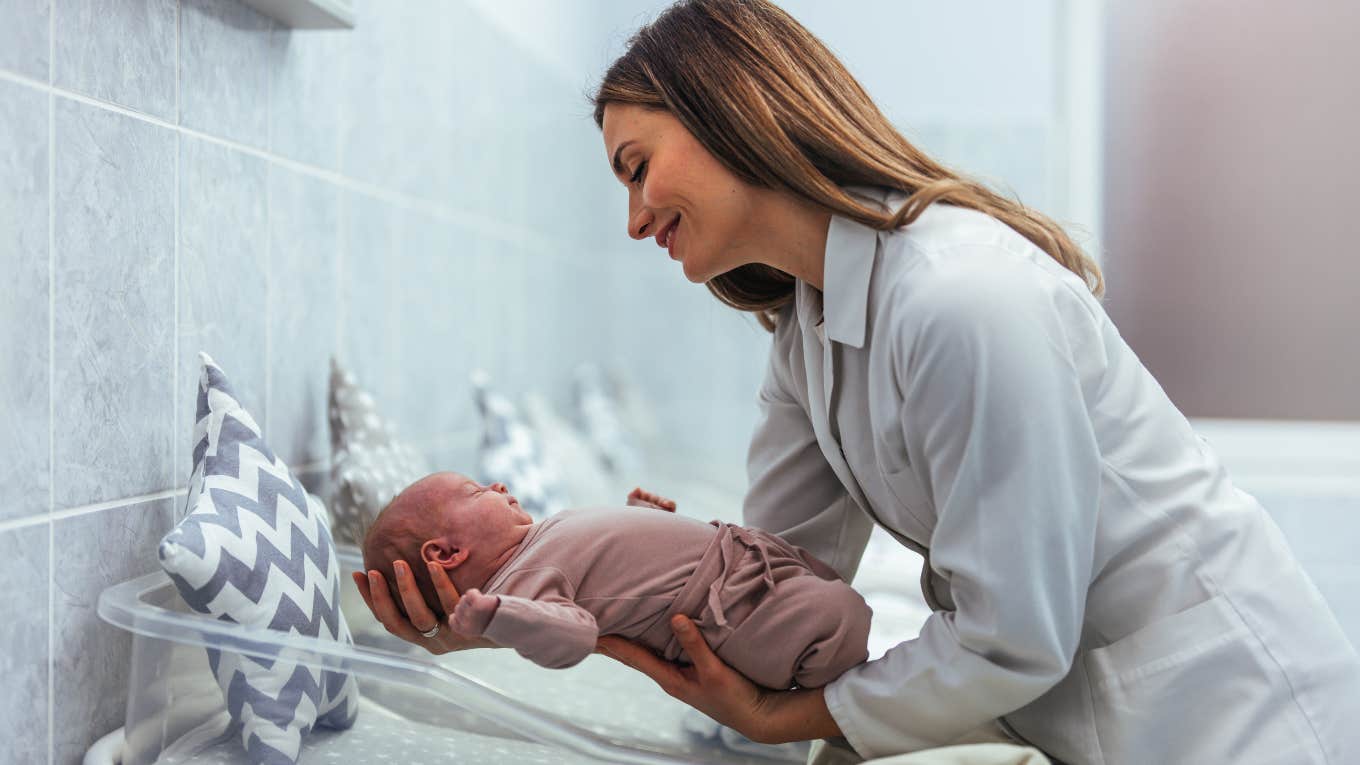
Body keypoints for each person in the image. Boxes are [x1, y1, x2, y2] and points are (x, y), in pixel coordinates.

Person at [358, 1, 1360, 763]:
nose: (632, 220)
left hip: (1235, 711)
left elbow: (1013, 639)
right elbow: (772, 576)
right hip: (1085, 707)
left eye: (636, 166)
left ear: (729, 110)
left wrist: (784, 717)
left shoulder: (965, 299)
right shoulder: (809, 326)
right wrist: (485, 615)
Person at [358, 471, 872, 689]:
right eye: (477, 490)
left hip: (741, 564)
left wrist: (645, 519)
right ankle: (843, 692)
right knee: (836, 622)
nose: (498, 485)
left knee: (824, 584)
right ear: (446, 553)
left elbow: (607, 560)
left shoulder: (536, 541)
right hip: (731, 611)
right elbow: (573, 635)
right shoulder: (517, 586)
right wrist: (500, 619)